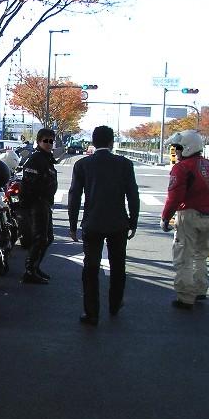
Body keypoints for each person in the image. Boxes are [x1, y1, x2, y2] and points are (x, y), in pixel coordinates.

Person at [68, 125, 139, 326]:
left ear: (93, 142)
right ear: (111, 142)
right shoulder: (124, 164)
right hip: (118, 223)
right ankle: (115, 304)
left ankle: (91, 313)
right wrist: (133, 221)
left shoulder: (83, 164)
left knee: (90, 268)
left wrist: (73, 224)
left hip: (92, 223)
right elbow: (133, 195)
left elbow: (74, 195)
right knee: (118, 266)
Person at [160, 129, 209, 309]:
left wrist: (165, 218)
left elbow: (174, 197)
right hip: (208, 214)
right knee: (201, 255)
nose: (175, 151)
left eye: (177, 148)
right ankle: (201, 289)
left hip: (189, 215)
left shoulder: (182, 168)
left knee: (184, 256)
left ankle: (185, 297)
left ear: (186, 148)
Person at [20, 128, 58, 284]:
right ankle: (29, 270)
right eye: (46, 140)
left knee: (48, 238)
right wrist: (33, 202)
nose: (49, 144)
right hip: (37, 203)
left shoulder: (47, 158)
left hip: (45, 202)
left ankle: (35, 267)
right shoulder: (36, 158)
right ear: (39, 141)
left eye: (51, 141)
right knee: (40, 238)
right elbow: (29, 183)